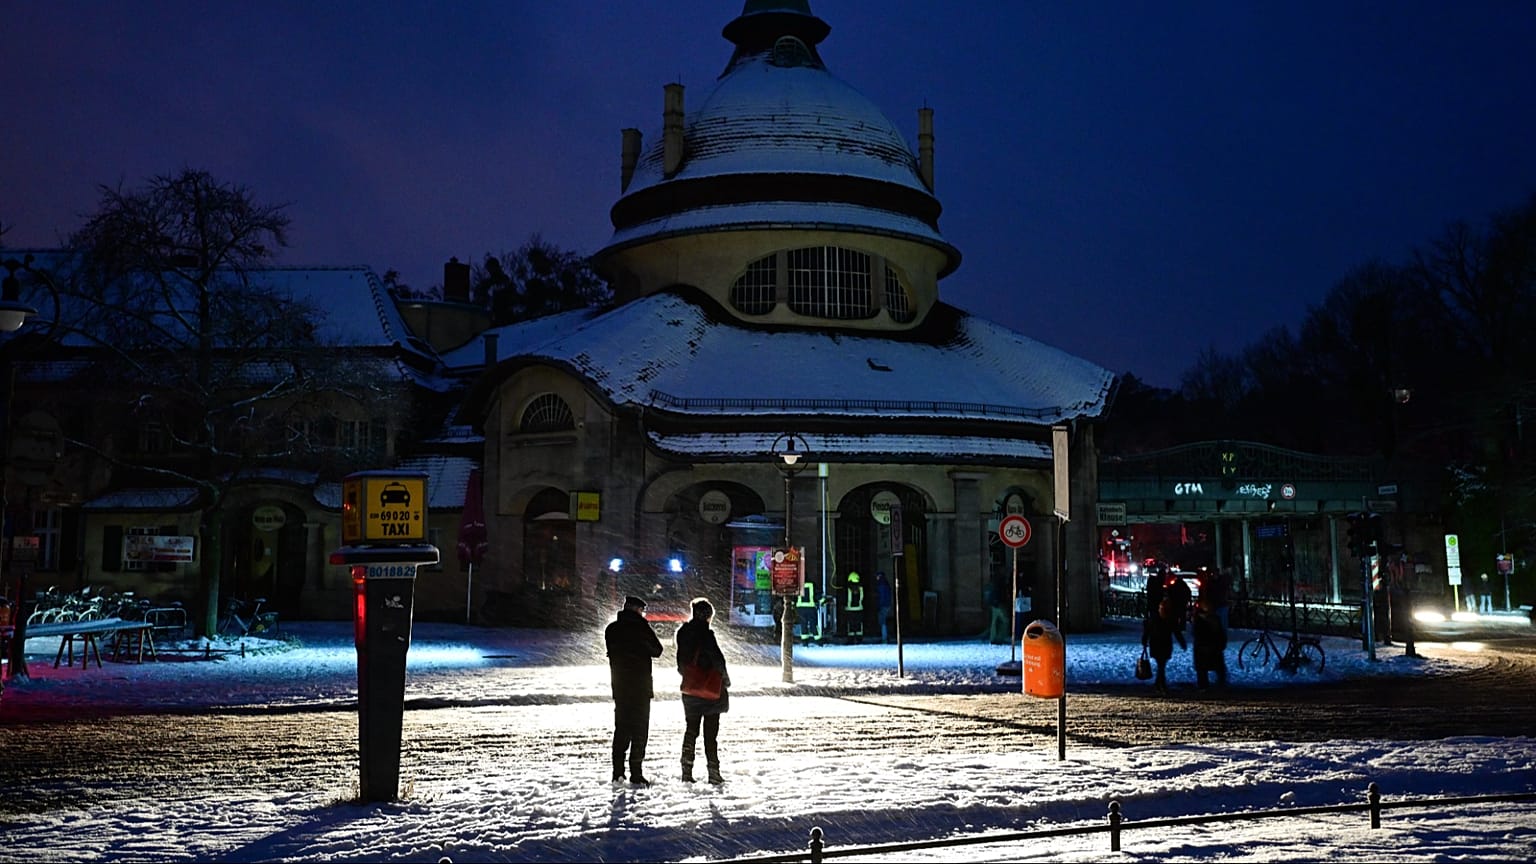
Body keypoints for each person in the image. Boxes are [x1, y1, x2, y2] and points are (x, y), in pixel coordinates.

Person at [605, 594, 664, 785]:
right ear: (638, 610)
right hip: (640, 687)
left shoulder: (612, 629)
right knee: (639, 731)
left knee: (621, 729)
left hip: (620, 687)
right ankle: (636, 773)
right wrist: (643, 627)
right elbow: (657, 650)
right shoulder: (641, 628)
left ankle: (618, 772)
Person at [675, 597, 730, 784]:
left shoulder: (683, 633)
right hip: (710, 690)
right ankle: (713, 772)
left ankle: (686, 771)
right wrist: (725, 680)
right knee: (710, 735)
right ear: (707, 616)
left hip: (690, 690)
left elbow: (681, 663)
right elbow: (718, 661)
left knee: (691, 731)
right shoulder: (706, 635)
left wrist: (689, 675)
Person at [1141, 567, 1189, 694]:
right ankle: (1160, 684)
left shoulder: (1156, 618)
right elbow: (1176, 632)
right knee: (1161, 665)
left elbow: (1148, 630)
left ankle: (1159, 684)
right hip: (1164, 645)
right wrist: (1182, 643)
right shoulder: (1169, 619)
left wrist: (1144, 641)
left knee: (1161, 665)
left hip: (1157, 644)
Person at [1191, 596, 1228, 689]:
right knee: (1205, 667)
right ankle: (1205, 685)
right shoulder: (1205, 619)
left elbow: (1219, 632)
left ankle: (1206, 685)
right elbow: (1197, 633)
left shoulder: (1212, 618)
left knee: (1208, 667)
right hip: (1206, 646)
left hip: (1210, 646)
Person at [844, 571, 865, 642]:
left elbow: (845, 599)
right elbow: (863, 598)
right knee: (859, 624)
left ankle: (851, 639)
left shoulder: (848, 589)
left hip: (850, 610)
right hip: (859, 609)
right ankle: (859, 638)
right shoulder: (861, 588)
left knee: (851, 624)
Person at [875, 571, 893, 643]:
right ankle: (885, 636)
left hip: (884, 605)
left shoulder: (881, 585)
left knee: (882, 621)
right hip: (887, 604)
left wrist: (879, 605)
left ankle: (884, 637)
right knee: (883, 621)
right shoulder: (885, 584)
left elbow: (882, 597)